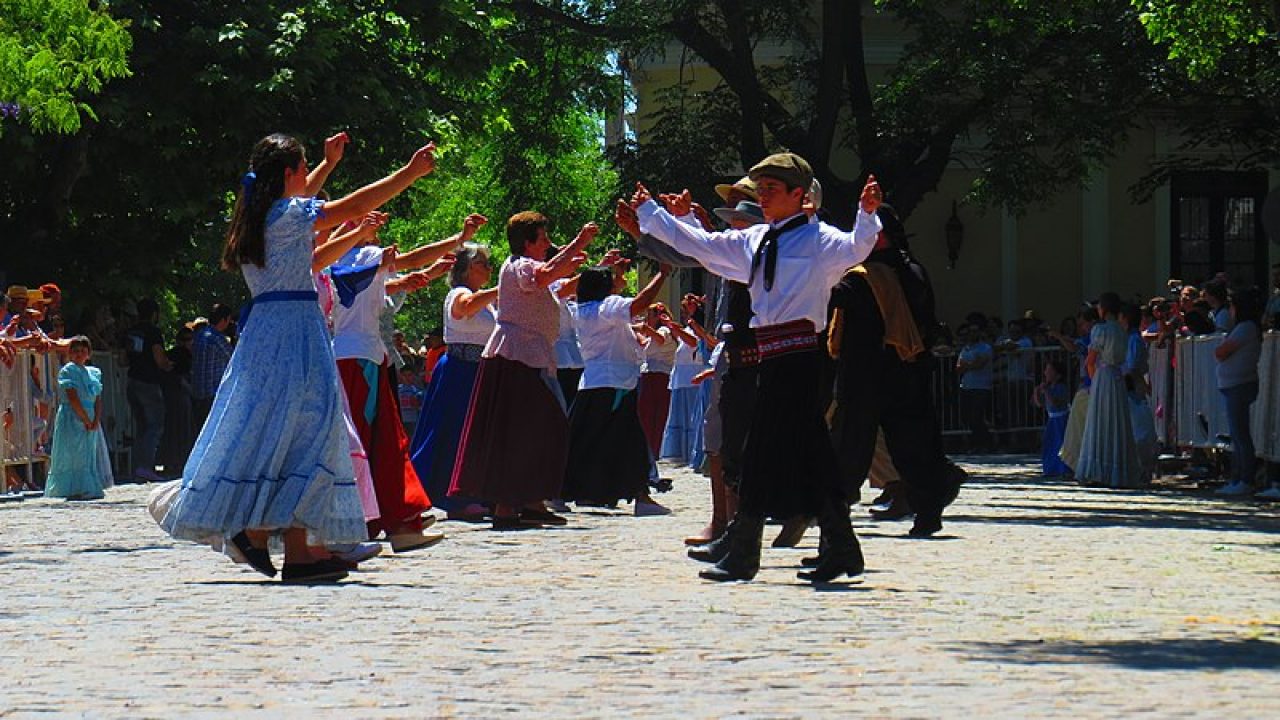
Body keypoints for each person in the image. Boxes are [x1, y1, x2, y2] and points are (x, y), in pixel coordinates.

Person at [159, 132, 438, 583]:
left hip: (272, 331)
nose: (309, 176)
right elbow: (346, 207)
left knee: (296, 432)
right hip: (293, 332)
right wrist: (408, 173)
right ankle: (269, 535)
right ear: (290, 173)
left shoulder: (261, 215)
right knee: (309, 428)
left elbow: (309, 257)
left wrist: (328, 165)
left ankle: (295, 545)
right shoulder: (288, 213)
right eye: (305, 167)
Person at [631, 154, 882, 583]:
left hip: (802, 357)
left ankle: (745, 549)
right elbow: (703, 248)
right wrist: (652, 215)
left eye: (772, 189)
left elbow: (858, 247)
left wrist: (866, 213)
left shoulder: (820, 240)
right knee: (810, 453)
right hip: (773, 357)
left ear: (799, 195)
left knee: (763, 448)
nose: (762, 196)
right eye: (759, 188)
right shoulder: (757, 240)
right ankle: (841, 546)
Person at [328, 213, 474, 551]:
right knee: (377, 442)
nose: (376, 231)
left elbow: (377, 286)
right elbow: (410, 257)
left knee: (375, 441)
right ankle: (388, 517)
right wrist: (456, 239)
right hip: (362, 358)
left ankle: (388, 515)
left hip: (353, 356)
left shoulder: (337, 263)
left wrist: (412, 279)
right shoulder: (364, 256)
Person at [825, 203, 966, 539]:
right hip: (901, 371)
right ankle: (928, 506)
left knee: (855, 445)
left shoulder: (865, 277)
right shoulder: (910, 269)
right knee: (910, 443)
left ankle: (837, 521)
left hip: (872, 374)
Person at [449, 212, 596, 529]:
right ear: (527, 242)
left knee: (539, 429)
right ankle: (507, 506)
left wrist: (573, 263)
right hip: (515, 359)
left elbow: (550, 283)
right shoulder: (519, 266)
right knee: (518, 431)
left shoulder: (525, 268)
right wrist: (578, 243)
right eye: (542, 239)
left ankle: (531, 501)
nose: (547, 244)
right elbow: (543, 276)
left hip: (530, 358)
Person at [561, 262, 672, 514]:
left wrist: (615, 273)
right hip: (617, 382)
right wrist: (662, 274)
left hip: (591, 381)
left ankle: (562, 490)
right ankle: (641, 496)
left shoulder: (580, 310)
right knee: (630, 441)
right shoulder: (607, 308)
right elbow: (640, 302)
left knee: (581, 440)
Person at [409, 243, 497, 522]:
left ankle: (470, 492)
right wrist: (502, 289)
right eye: (484, 263)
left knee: (471, 435)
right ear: (470, 268)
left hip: (477, 369)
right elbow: (463, 310)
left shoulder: (484, 299)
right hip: (460, 369)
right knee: (453, 433)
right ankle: (454, 496)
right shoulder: (460, 293)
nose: (490, 269)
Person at [1076, 292, 1143, 488]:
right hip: (1117, 377)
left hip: (1103, 376)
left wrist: (1092, 377)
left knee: (1100, 420)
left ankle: (1098, 470)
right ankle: (1118, 468)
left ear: (1103, 309)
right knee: (1117, 421)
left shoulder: (1100, 329)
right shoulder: (1122, 331)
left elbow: (1091, 359)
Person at [44, 336, 113, 500]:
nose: (79, 354)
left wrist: (95, 419)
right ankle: (71, 487)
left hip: (89, 415)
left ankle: (86, 486)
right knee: (72, 451)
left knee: (88, 452)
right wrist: (85, 419)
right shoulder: (68, 371)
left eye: (83, 351)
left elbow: (97, 398)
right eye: (75, 351)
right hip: (73, 415)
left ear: (88, 354)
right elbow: (73, 397)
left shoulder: (93, 373)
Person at [1213, 287, 1264, 497]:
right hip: (1232, 384)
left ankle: (1246, 478)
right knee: (1236, 433)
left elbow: (1221, 351)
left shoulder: (1245, 328)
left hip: (1240, 384)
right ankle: (1237, 477)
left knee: (1241, 434)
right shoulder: (1242, 327)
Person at [125, 298, 173, 482]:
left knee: (141, 426)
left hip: (132, 380)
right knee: (155, 425)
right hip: (149, 382)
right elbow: (159, 359)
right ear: (154, 314)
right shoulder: (153, 332)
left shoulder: (131, 332)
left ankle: (138, 467)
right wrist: (169, 365)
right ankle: (146, 466)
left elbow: (124, 359)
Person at [191, 303, 234, 429]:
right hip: (212, 395)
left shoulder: (199, 336)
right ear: (223, 320)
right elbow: (234, 360)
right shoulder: (217, 339)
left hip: (197, 393)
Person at [955, 324, 995, 453]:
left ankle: (986, 443)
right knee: (968, 417)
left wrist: (967, 365)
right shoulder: (965, 349)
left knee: (976, 416)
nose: (972, 334)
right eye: (970, 332)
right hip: (966, 386)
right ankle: (977, 443)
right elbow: (958, 368)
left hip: (981, 386)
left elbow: (980, 365)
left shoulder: (985, 347)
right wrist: (970, 364)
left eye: (975, 331)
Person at [1033, 359, 1070, 477]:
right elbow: (1040, 404)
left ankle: (1063, 468)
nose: (1045, 373)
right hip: (1052, 420)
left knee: (1060, 444)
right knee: (1050, 445)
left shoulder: (1061, 387)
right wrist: (1037, 392)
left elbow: (1055, 403)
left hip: (1061, 420)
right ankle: (1050, 468)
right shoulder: (1048, 387)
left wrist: (1047, 392)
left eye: (1049, 370)